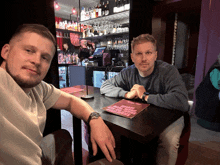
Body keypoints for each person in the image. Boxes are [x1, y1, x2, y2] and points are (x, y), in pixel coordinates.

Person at [0, 24, 123, 165]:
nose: (36, 61)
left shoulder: (38, 89)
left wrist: (95, 119)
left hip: (34, 154)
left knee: (62, 136)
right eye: (29, 50)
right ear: (6, 51)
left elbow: (71, 101)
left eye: (45, 57)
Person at [100, 34, 189, 165]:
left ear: (155, 55)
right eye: (139, 54)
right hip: (145, 116)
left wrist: (145, 96)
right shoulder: (128, 72)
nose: (144, 58)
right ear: (132, 57)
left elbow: (181, 101)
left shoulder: (168, 71)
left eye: (148, 53)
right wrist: (126, 94)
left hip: (171, 115)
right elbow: (105, 86)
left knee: (169, 141)